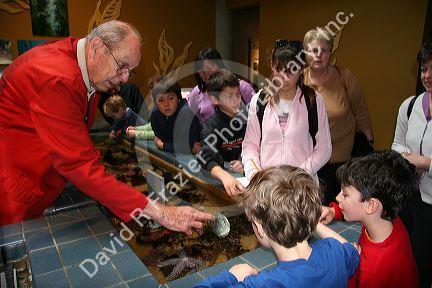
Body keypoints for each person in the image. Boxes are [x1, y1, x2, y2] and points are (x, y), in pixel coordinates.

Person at [0, 20, 213, 232]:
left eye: (130, 70)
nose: (126, 77)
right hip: (16, 192)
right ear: (96, 47)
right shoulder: (60, 79)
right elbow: (78, 165)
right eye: (122, 66)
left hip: (38, 182)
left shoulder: (83, 67)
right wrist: (160, 212)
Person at [195, 165, 359, 288]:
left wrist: (231, 276)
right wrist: (311, 220)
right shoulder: (334, 253)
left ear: (260, 227)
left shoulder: (265, 284)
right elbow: (349, 249)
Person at [319, 151, 419, 287]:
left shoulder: (372, 271)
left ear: (371, 205)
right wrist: (333, 211)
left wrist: (351, 265)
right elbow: (360, 209)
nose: (337, 197)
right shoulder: (388, 218)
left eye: (345, 194)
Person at [241, 39, 331, 181]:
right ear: (271, 66)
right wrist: (255, 175)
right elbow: (250, 146)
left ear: (301, 69)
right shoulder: (259, 100)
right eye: (278, 70)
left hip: (302, 185)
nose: (283, 77)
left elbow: (324, 148)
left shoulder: (313, 100)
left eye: (291, 71)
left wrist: (301, 174)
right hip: (268, 187)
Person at [303, 28, 374, 205]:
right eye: (314, 50)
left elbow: (361, 111)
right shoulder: (299, 80)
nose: (319, 55)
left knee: (337, 209)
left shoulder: (345, 77)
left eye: (324, 50)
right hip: (307, 160)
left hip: (340, 160)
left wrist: (369, 142)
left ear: (330, 53)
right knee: (308, 208)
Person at [391, 40, 432, 288]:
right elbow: (396, 144)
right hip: (407, 197)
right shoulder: (409, 106)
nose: (427, 75)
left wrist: (426, 162)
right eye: (424, 68)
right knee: (406, 256)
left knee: (424, 263)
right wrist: (406, 160)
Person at [198, 69, 247, 197]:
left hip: (245, 178)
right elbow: (206, 158)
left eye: (238, 94)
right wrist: (224, 176)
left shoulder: (247, 119)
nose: (236, 100)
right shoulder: (211, 126)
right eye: (229, 96)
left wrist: (244, 162)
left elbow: (255, 147)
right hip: (220, 182)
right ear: (214, 99)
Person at [188, 48, 256, 124]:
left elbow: (257, 114)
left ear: (219, 65)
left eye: (209, 68)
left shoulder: (242, 87)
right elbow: (193, 121)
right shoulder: (196, 92)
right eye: (200, 69)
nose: (205, 73)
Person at [149, 75, 202, 154]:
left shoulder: (186, 112)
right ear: (155, 102)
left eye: (170, 98)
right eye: (161, 100)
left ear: (178, 97)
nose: (166, 104)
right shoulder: (155, 113)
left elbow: (188, 146)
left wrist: (164, 145)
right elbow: (159, 138)